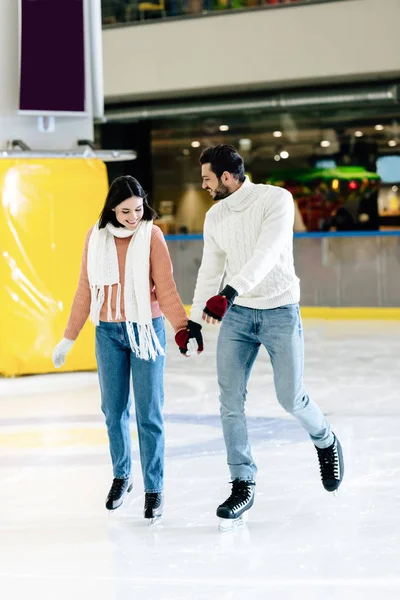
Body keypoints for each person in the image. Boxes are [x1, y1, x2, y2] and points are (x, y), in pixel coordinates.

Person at [190, 145, 344, 529]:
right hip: (239, 316)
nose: (204, 185)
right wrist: (194, 320)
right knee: (229, 400)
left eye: (208, 178)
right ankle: (243, 482)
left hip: (278, 309)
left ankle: (325, 439)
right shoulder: (215, 217)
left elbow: (267, 253)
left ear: (227, 177)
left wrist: (230, 292)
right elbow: (210, 271)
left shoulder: (276, 200)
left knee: (290, 396)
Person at [52, 176, 203, 522]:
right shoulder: (96, 237)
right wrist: (68, 337)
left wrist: (182, 329)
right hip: (108, 333)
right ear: (111, 208)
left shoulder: (152, 235)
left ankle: (154, 488)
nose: (133, 216)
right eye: (125, 211)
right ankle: (122, 476)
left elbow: (165, 287)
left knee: (149, 412)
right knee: (113, 410)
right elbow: (84, 290)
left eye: (138, 209)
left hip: (146, 330)